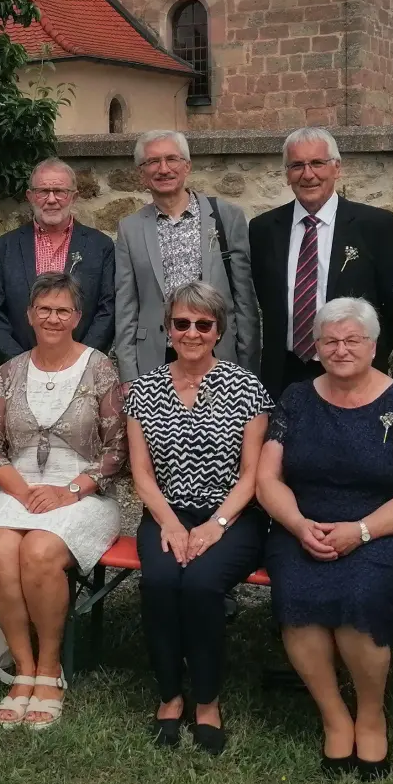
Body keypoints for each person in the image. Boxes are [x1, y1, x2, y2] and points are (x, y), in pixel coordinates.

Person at [256, 297, 393, 780]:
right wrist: (297, 525)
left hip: (388, 531)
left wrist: (361, 531)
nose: (341, 349)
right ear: (316, 347)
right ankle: (334, 716)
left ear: (373, 345)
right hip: (306, 527)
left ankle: (371, 714)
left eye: (352, 339)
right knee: (297, 599)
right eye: (330, 340)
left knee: (360, 600)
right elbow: (267, 480)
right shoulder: (296, 398)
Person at [123, 281, 271, 755]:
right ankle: (170, 695)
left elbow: (252, 475)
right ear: (168, 329)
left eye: (203, 324)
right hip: (167, 512)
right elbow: (142, 475)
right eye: (181, 323)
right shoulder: (143, 391)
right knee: (162, 583)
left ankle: (206, 699)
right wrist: (169, 523)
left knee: (203, 584)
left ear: (218, 331)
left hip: (233, 516)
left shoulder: (246, 388)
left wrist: (215, 525)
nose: (191, 332)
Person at [0, 272, 125, 730]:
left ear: (78, 317)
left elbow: (116, 450)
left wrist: (69, 491)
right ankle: (22, 668)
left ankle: (49, 667)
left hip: (84, 490)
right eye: (44, 309)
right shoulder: (10, 370)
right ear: (29, 315)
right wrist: (22, 492)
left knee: (39, 552)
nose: (53, 318)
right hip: (18, 487)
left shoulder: (100, 368)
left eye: (63, 310)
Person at [249, 127, 393, 398]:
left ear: (337, 168)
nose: (308, 174)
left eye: (317, 163)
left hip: (354, 373)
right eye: (297, 165)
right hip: (283, 375)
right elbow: (263, 300)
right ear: (287, 174)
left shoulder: (375, 226)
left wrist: (368, 357)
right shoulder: (263, 229)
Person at [114, 130, 257, 383]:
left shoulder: (226, 217)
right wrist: (128, 377)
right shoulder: (130, 228)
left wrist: (248, 368)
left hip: (217, 353)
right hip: (156, 359)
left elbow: (244, 299)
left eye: (172, 159)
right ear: (141, 173)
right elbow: (126, 306)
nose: (163, 169)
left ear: (187, 166)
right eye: (152, 162)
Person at [0, 158, 115, 364]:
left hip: (82, 371)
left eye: (59, 191)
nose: (51, 199)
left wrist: (82, 362)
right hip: (21, 370)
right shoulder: (6, 247)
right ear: (30, 196)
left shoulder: (101, 246)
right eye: (43, 192)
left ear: (74, 196)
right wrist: (20, 365)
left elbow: (107, 310)